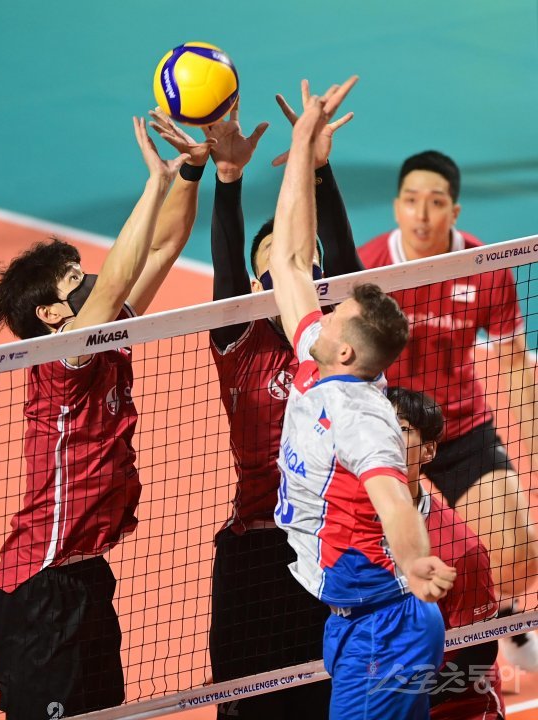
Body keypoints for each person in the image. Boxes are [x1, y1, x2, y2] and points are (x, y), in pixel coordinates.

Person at [0, 117, 211, 720]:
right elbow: (111, 287)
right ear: (52, 313)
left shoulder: (104, 339)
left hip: (87, 576)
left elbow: (161, 249)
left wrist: (191, 170)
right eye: (74, 278)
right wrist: (153, 184)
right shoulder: (60, 360)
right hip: (40, 588)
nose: (91, 280)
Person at [151, 83, 363, 718]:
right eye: (272, 262)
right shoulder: (238, 341)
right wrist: (228, 178)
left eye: (301, 262)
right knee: (245, 705)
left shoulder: (337, 343)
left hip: (329, 542)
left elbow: (345, 264)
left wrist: (319, 171)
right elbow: (225, 263)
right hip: (255, 547)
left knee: (325, 699)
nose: (289, 271)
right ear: (254, 282)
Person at [268, 86, 456, 720]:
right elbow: (291, 262)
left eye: (334, 315)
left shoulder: (362, 418)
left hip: (388, 628)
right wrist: (302, 147)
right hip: (358, 619)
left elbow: (393, 499)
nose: (322, 314)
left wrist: (416, 562)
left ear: (345, 351)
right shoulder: (317, 362)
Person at [358, 150, 538, 669]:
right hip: (386, 434)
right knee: (375, 565)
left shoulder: (484, 266)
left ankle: (495, 611)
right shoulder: (369, 267)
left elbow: (514, 364)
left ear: (454, 211)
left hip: (459, 425)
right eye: (411, 201)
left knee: (520, 556)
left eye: (435, 203)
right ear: (396, 206)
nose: (421, 214)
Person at [388, 386, 505, 719]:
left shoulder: (461, 548)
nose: (386, 436)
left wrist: (415, 700)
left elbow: (479, 652)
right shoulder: (342, 525)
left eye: (402, 428)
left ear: (427, 451)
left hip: (456, 706)